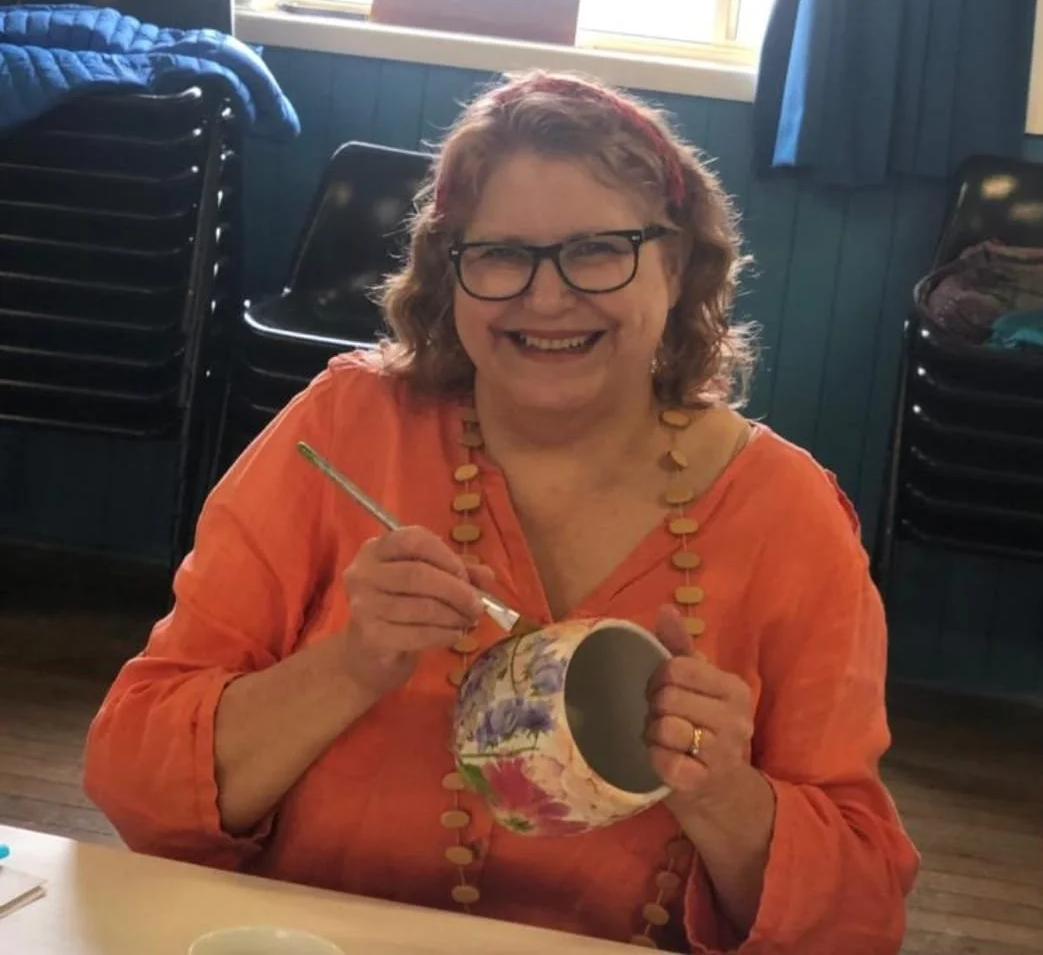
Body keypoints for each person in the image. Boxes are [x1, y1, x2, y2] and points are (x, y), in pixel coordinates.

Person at [83, 69, 919, 953]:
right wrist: (353, 664)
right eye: (501, 255)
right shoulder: (346, 429)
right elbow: (133, 783)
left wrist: (723, 795)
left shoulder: (788, 514)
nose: (547, 296)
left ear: (676, 266)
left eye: (600, 249)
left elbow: (859, 920)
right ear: (449, 275)